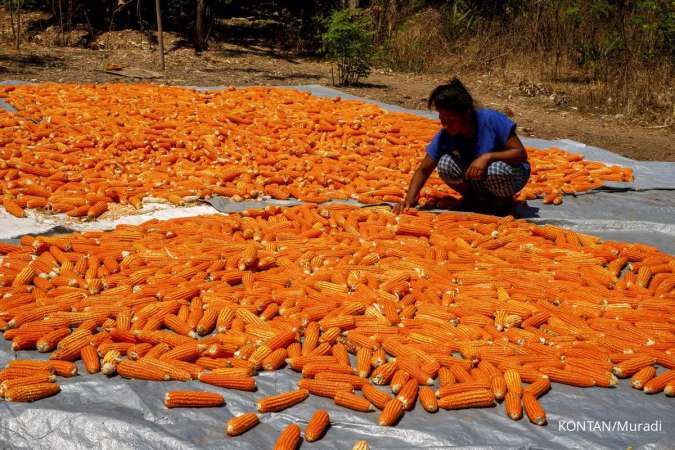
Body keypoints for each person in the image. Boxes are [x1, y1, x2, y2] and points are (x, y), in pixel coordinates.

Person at [394, 78, 530, 215]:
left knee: (496, 169)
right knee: (445, 163)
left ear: (466, 113)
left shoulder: (491, 120)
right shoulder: (446, 135)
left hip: (512, 174)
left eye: (451, 119)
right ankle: (473, 198)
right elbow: (424, 170)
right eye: (442, 119)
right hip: (478, 179)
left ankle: (504, 202)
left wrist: (488, 157)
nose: (445, 125)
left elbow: (520, 154)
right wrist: (409, 200)